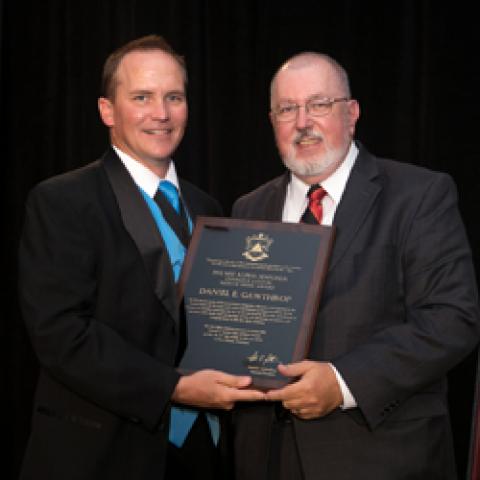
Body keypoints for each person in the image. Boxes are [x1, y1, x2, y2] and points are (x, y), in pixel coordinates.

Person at [18, 35, 264, 480]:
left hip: (205, 452)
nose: (162, 113)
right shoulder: (63, 201)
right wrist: (175, 388)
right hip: (104, 453)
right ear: (107, 110)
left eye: (174, 97)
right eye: (142, 97)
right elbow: (60, 333)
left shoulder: (207, 206)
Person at [231, 51, 480, 479]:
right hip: (265, 456)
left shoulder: (419, 195)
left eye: (319, 104)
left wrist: (343, 381)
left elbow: (452, 319)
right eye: (287, 109)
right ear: (272, 121)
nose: (303, 121)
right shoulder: (247, 208)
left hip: (381, 456)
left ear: (352, 113)